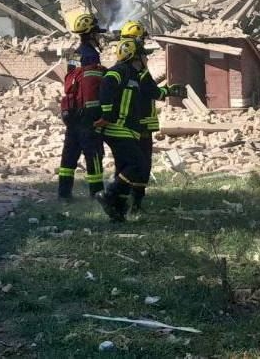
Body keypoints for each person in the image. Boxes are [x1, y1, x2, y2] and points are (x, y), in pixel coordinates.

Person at [118, 20, 185, 214]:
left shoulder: (121, 67)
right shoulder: (137, 69)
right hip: (141, 125)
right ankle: (130, 203)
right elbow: (152, 92)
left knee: (130, 164)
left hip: (130, 124)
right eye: (142, 40)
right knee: (141, 165)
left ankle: (124, 201)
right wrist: (169, 91)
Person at [94, 38, 149, 222]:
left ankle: (116, 211)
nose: (146, 60)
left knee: (125, 168)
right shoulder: (121, 71)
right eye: (144, 56)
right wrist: (108, 114)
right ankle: (109, 194)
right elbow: (108, 82)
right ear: (134, 57)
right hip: (118, 128)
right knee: (138, 164)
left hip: (126, 129)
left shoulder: (133, 75)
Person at [57, 13, 107, 200]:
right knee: (93, 155)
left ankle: (64, 194)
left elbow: (70, 83)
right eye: (96, 33)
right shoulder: (91, 55)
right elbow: (94, 86)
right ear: (90, 34)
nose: (99, 37)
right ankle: (97, 194)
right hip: (89, 115)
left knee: (69, 156)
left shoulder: (74, 54)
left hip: (72, 113)